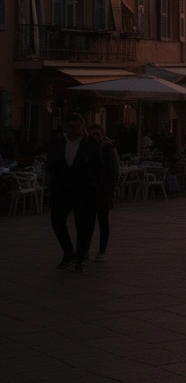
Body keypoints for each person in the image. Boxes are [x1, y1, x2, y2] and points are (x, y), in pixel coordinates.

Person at [47, 113, 102, 271]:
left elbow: (99, 167)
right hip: (62, 189)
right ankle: (68, 253)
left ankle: (80, 257)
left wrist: (97, 189)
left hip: (84, 190)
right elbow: (51, 164)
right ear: (65, 127)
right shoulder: (57, 143)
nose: (76, 130)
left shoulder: (91, 143)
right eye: (72, 127)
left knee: (83, 225)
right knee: (57, 221)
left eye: (79, 127)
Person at [88, 124, 118, 262]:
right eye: (91, 134)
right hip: (88, 190)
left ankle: (102, 250)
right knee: (87, 222)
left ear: (102, 135)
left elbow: (114, 171)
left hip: (103, 190)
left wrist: (111, 191)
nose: (94, 137)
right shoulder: (85, 149)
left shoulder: (108, 149)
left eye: (97, 134)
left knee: (103, 221)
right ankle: (84, 250)